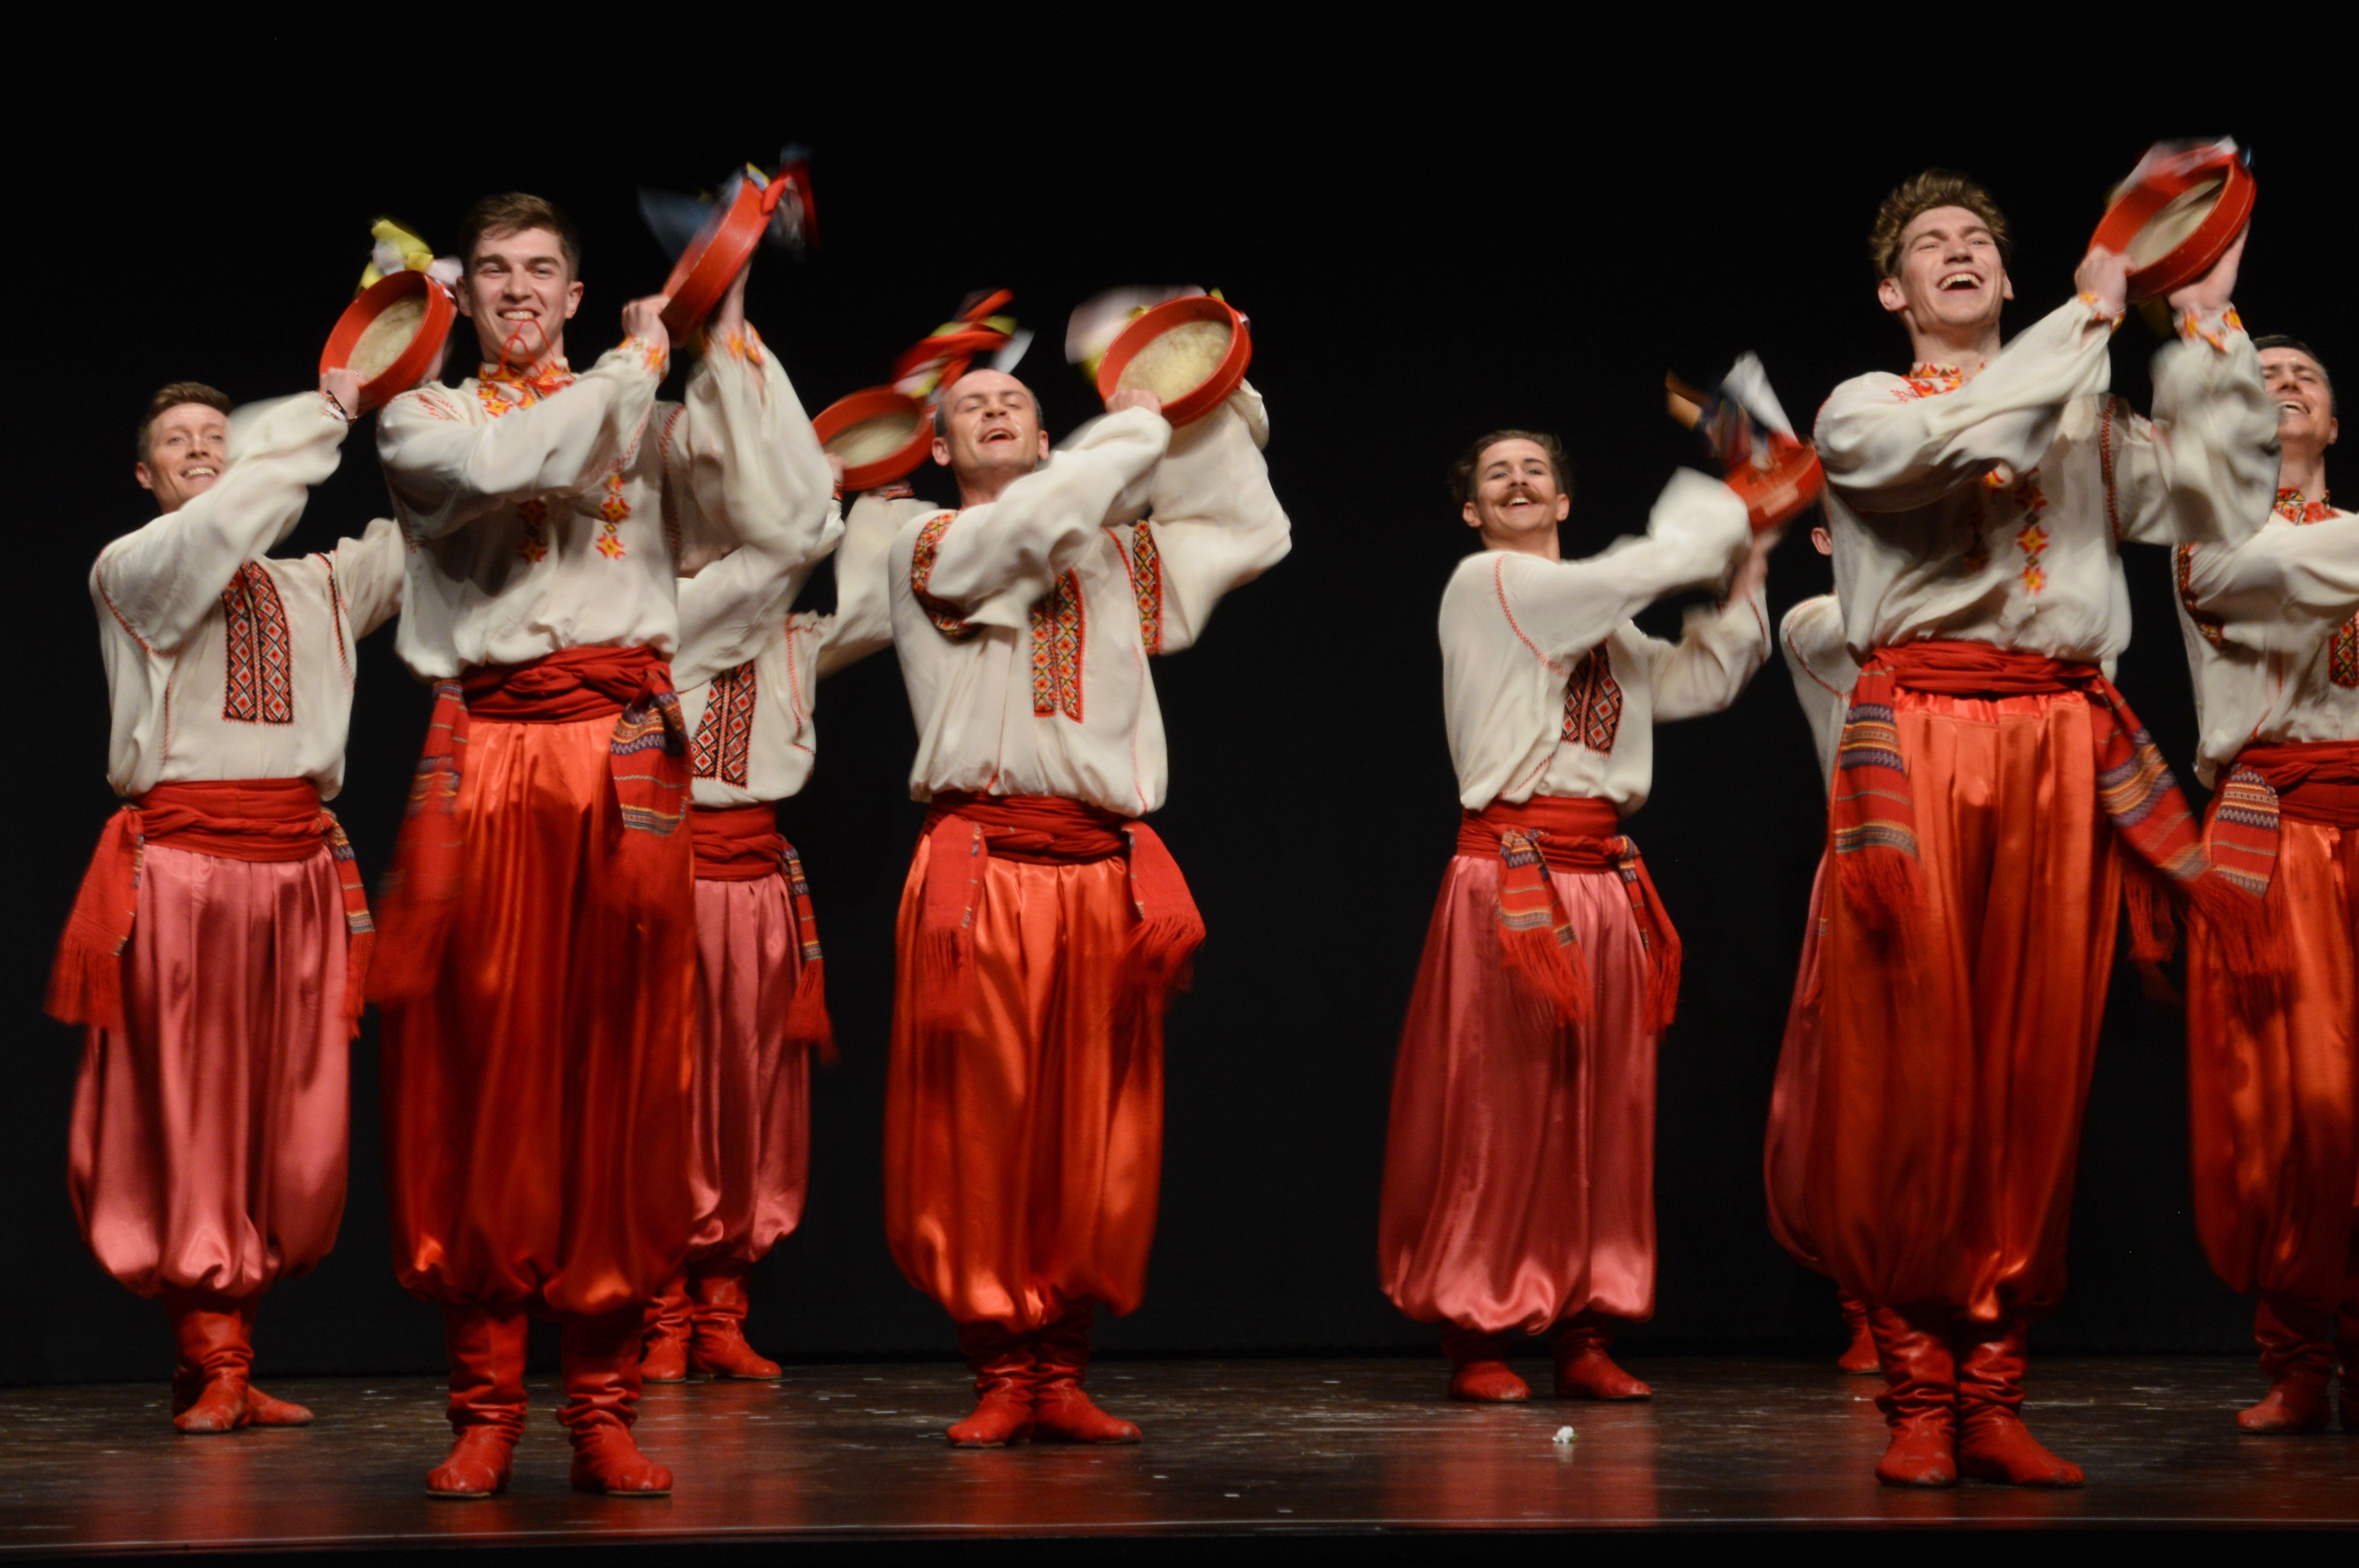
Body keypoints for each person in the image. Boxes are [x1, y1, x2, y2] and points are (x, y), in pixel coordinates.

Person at [1808, 170, 2276, 1489]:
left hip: (2056, 743)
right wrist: (2087, 313)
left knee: (2032, 1064)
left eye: (1977, 242)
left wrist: (2207, 333)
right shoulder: (1863, 406)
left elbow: (2222, 499)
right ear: (1894, 291)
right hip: (1924, 742)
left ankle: (1995, 1380)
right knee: (1914, 1069)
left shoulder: (2083, 407)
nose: (1955, 252)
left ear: (2006, 282)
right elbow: (1946, 453)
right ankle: (1912, 1381)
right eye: (1926, 246)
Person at [371, 193, 836, 1498]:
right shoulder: (431, 417)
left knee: (623, 1072)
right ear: (462, 296)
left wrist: (719, 331)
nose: (520, 288)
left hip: (621, 763)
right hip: (496, 759)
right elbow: (504, 473)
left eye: (544, 270)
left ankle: (601, 1401)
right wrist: (641, 363)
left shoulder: (649, 411)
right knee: (487, 1074)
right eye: (497, 271)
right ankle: (484, 1403)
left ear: (577, 293)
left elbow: (800, 516)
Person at [877, 367, 1289, 1445]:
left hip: (1103, 869)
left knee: (1096, 1126)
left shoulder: (1117, 557)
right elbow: (1033, 524)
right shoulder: (926, 543)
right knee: (984, 1124)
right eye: (970, 406)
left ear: (1051, 433)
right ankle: (1000, 1366)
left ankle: (1061, 1364)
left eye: (1013, 398)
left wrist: (1205, 403)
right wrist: (1140, 424)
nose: (995, 409)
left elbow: (1254, 529)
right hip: (987, 866)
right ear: (937, 447)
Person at [1377, 429, 1775, 1402]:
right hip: (1512, 876)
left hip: (1599, 880)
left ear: (1563, 500)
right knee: (1499, 1106)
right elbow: (1640, 570)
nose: (1516, 481)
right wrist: (1736, 502)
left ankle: (1582, 1325)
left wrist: (1750, 566)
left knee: (1603, 1112)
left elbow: (1701, 676)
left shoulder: (1602, 625)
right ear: (1472, 512)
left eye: (1536, 471)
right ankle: (1478, 1327)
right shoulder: (1490, 585)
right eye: (1494, 474)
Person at [53, 370, 401, 1432]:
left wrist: (440, 388)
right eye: (180, 439)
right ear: (148, 473)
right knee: (194, 1113)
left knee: (288, 1122)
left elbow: (437, 524)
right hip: (186, 873)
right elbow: (227, 523)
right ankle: (214, 1356)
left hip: (298, 869)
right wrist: (320, 418)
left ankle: (231, 1348)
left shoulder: (318, 585)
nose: (203, 447)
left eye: (217, 432)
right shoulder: (135, 568)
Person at [641, 460, 895, 1383]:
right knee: (661, 1094)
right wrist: (817, 514)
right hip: (659, 880)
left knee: (751, 1093)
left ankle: (721, 1305)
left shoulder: (791, 639)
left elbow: (873, 615)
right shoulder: (645, 626)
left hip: (753, 886)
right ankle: (659, 1306)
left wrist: (868, 519)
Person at [2172, 334, 2359, 1434]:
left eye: (2307, 381)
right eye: (2264, 379)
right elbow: (2256, 578)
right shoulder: (2208, 534)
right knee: (2297, 1105)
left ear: (2333, 424)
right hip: (2278, 828)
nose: (2286, 389)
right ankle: (2297, 1354)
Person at [1760, 527, 1878, 1376]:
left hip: (1972, 864)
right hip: (1869, 873)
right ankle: (1871, 1306)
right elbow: (1882, 620)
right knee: (1859, 1092)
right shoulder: (1818, 621)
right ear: (1827, 537)